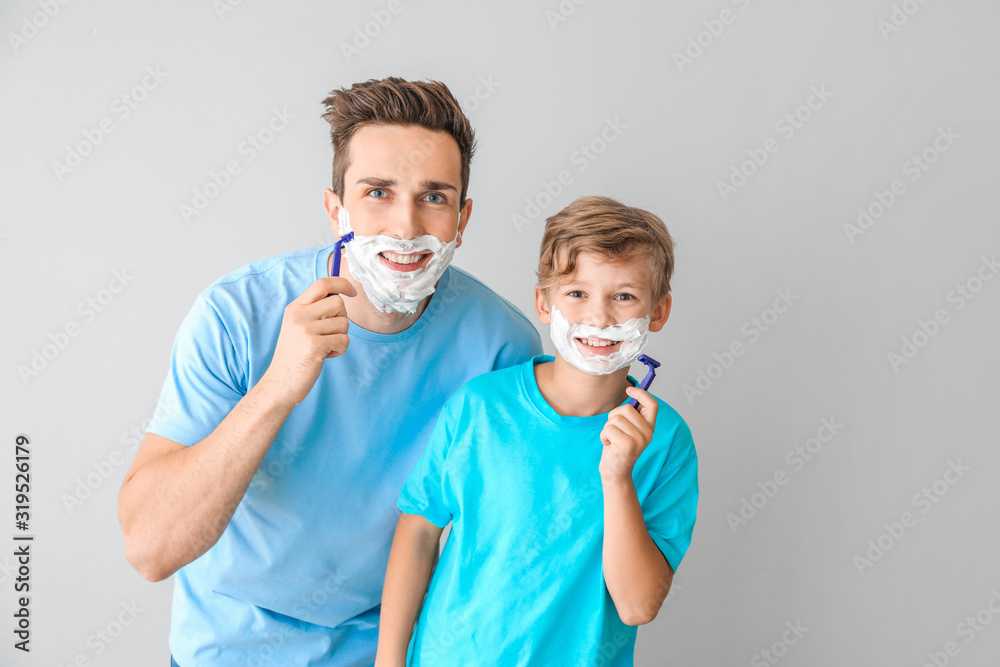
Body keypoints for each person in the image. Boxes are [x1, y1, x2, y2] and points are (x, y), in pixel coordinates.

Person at [116, 77, 541, 667]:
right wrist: (275, 390)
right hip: (229, 652)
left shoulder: (503, 347)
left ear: (462, 219)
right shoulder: (237, 314)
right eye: (377, 192)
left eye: (434, 197)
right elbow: (151, 549)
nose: (404, 226)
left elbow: (502, 552)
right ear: (334, 208)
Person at [376, 196, 699, 666]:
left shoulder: (665, 440)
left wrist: (617, 477)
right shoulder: (481, 406)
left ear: (658, 311)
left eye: (624, 296)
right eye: (577, 293)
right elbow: (419, 532)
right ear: (544, 302)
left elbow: (637, 605)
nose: (600, 317)